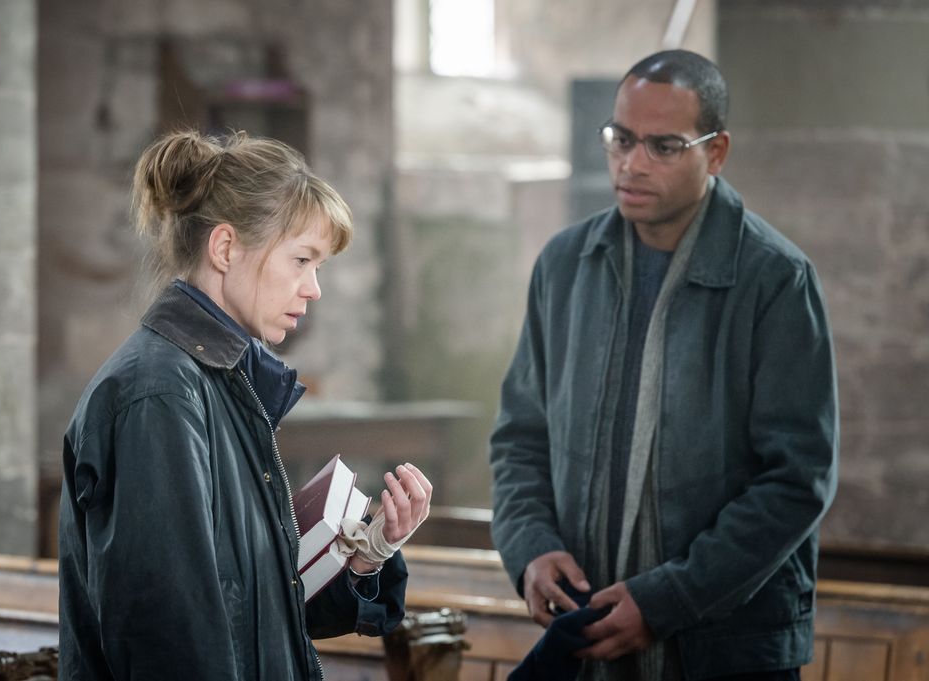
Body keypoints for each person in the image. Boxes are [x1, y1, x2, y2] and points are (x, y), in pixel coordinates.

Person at [489, 49, 837, 681]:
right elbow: (520, 437)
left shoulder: (775, 281)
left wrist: (665, 601)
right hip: (585, 631)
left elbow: (797, 479)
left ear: (717, 151)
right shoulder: (566, 265)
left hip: (726, 653)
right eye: (620, 138)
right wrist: (531, 548)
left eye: (664, 146)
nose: (632, 163)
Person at [58, 130, 432, 680]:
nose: (313, 289)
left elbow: (262, 615)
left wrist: (369, 550)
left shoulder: (217, 381)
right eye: (301, 260)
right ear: (226, 248)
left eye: (318, 267)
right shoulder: (159, 395)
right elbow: (169, 641)